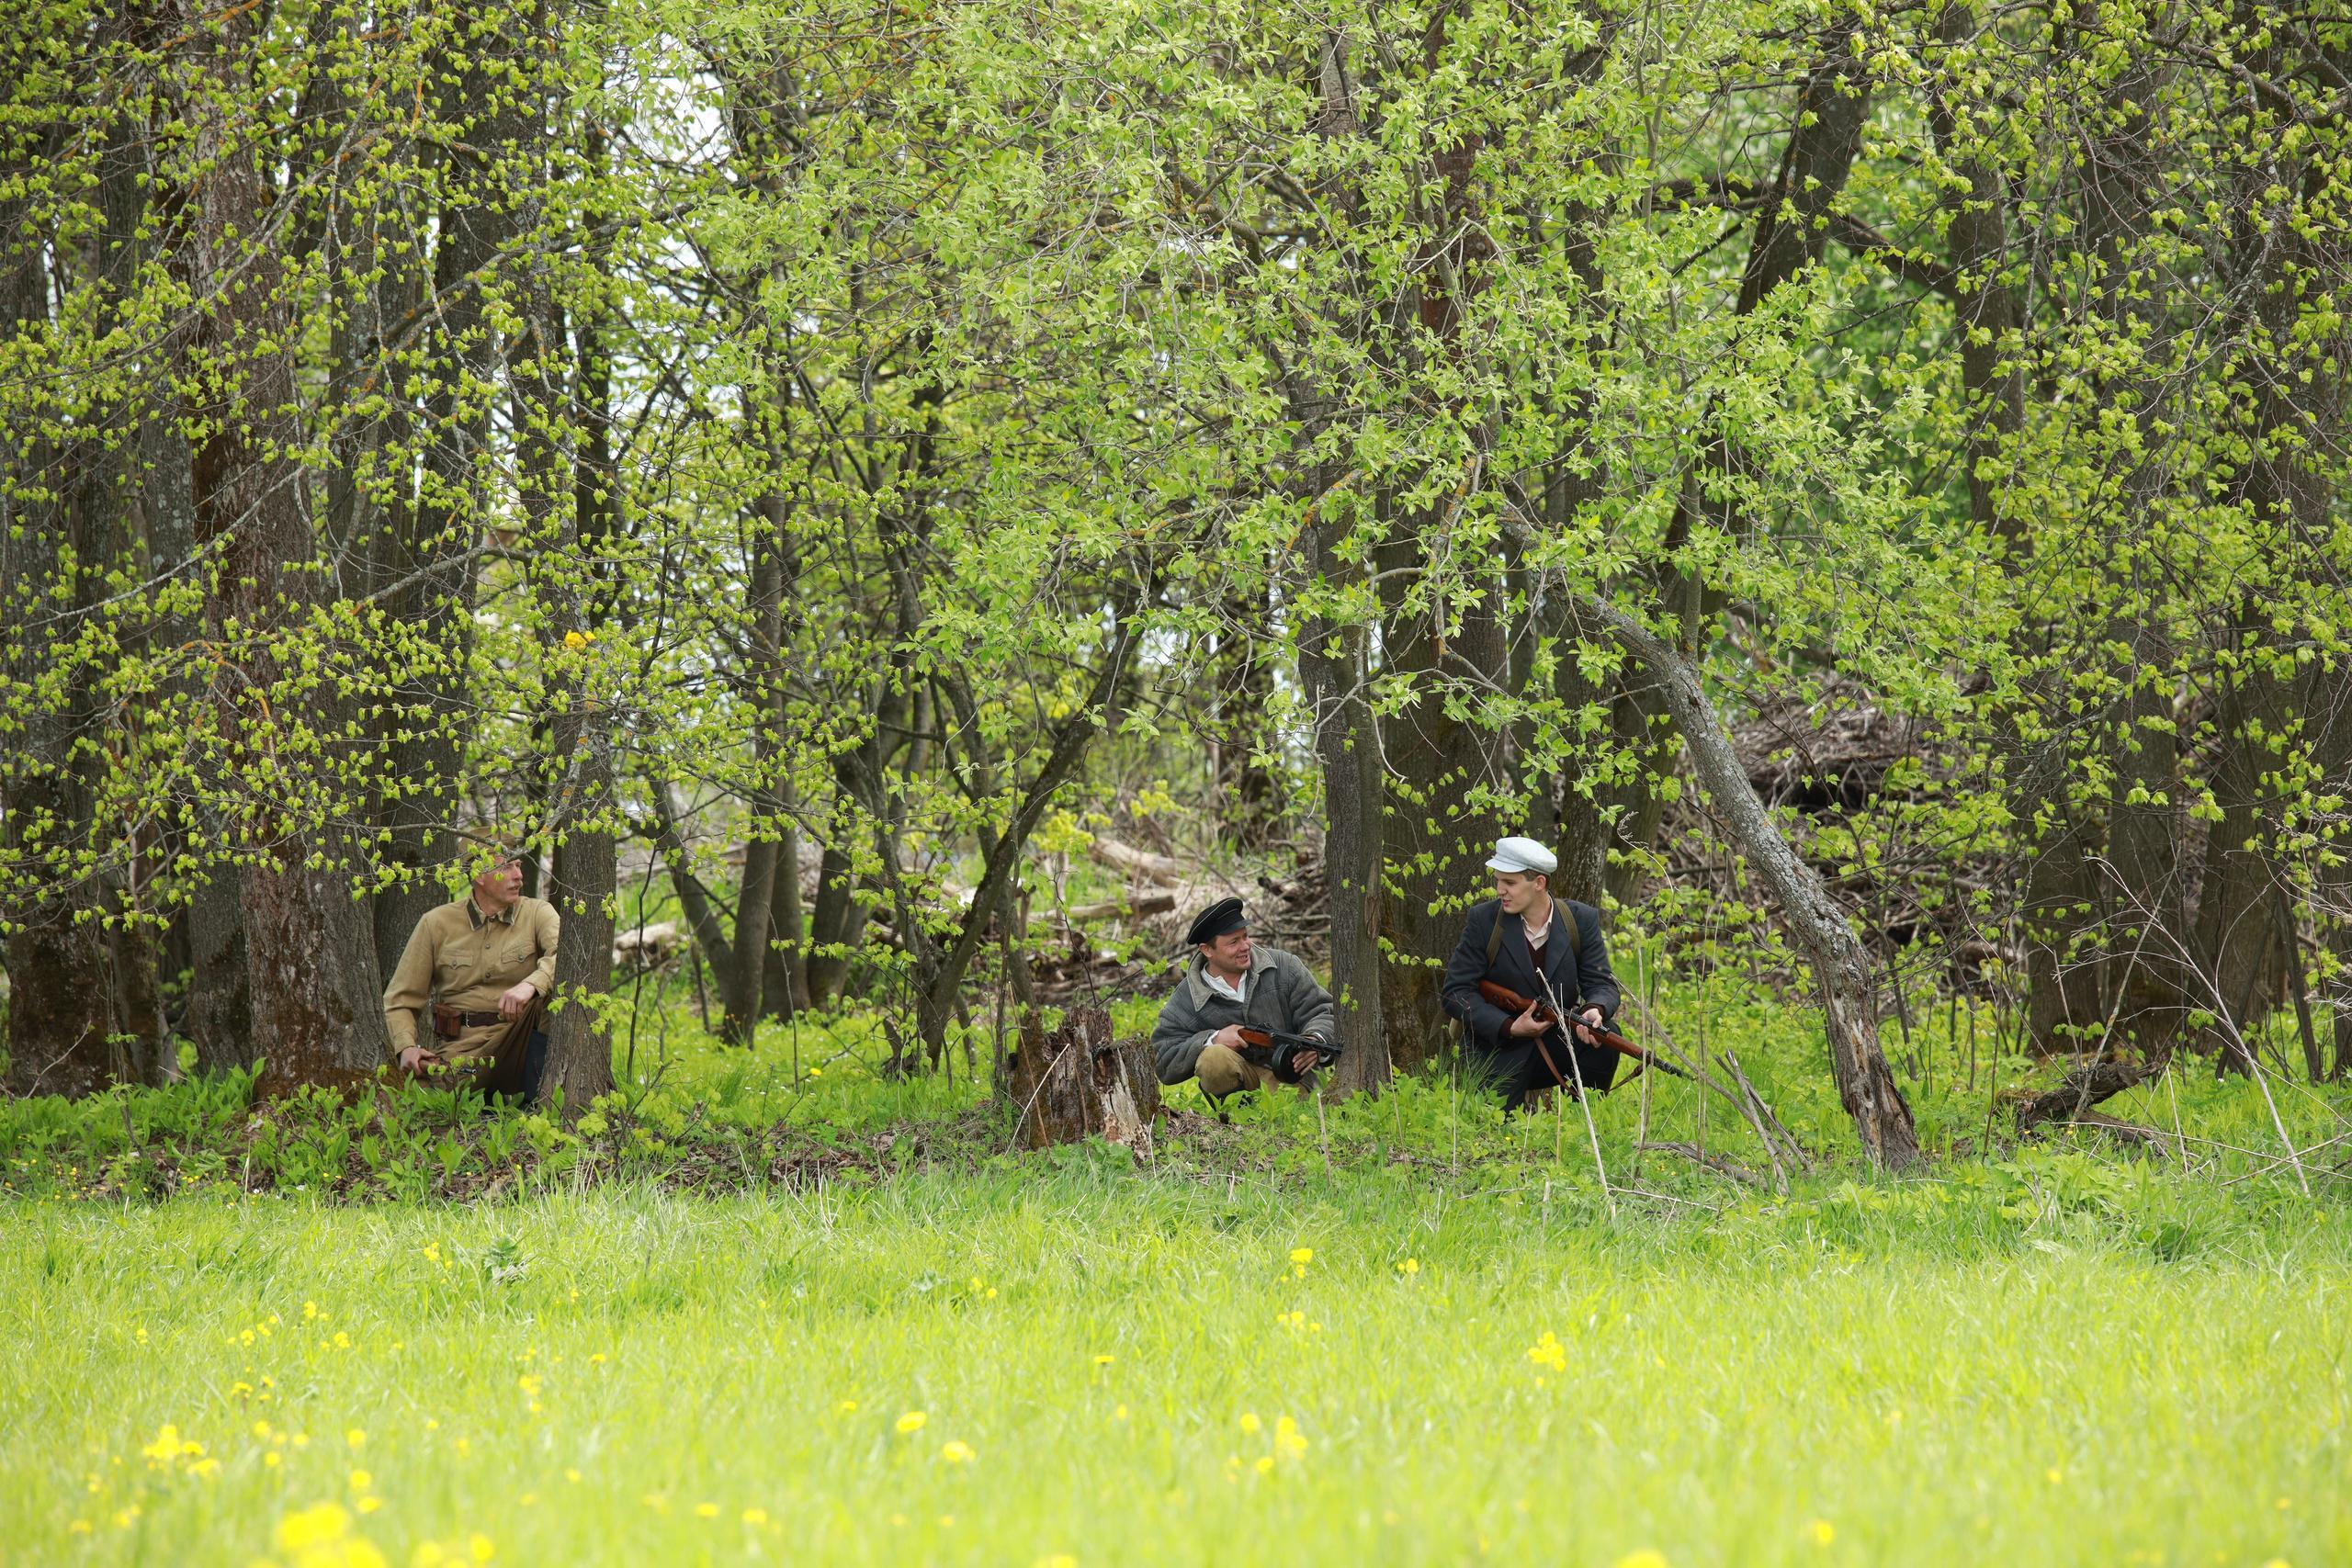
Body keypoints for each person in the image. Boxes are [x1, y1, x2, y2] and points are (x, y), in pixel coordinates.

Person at [1441, 836, 1623, 1111]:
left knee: (1606, 1039)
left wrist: (1596, 1009)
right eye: (1499, 880)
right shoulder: (1484, 921)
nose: (1501, 890)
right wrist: (1509, 1027)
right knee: (1494, 1131)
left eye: (1510, 883)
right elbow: (1455, 993)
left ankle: (1582, 1122)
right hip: (1498, 1048)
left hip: (1556, 1043)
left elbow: (1601, 983)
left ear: (1539, 883)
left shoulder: (1580, 919)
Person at [381, 841, 560, 1101]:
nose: (519, 875)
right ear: (479, 874)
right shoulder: (436, 923)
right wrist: (406, 1047)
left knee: (554, 999)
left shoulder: (537, 913)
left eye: (518, 865)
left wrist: (531, 985)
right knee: (409, 1099)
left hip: (519, 1039)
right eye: (506, 866)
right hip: (464, 1051)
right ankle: (481, 1098)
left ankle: (539, 1103)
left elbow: (565, 958)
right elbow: (400, 1000)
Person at [1150, 897, 1336, 1107]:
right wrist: (1213, 1039)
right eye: (1233, 942)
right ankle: (1240, 1119)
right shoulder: (1186, 998)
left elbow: (1323, 1011)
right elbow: (1164, 1059)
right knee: (1214, 1058)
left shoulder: (1285, 966)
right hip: (1242, 1095)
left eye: (1245, 937)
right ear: (1207, 950)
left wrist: (1315, 1041)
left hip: (1299, 1086)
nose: (1245, 946)